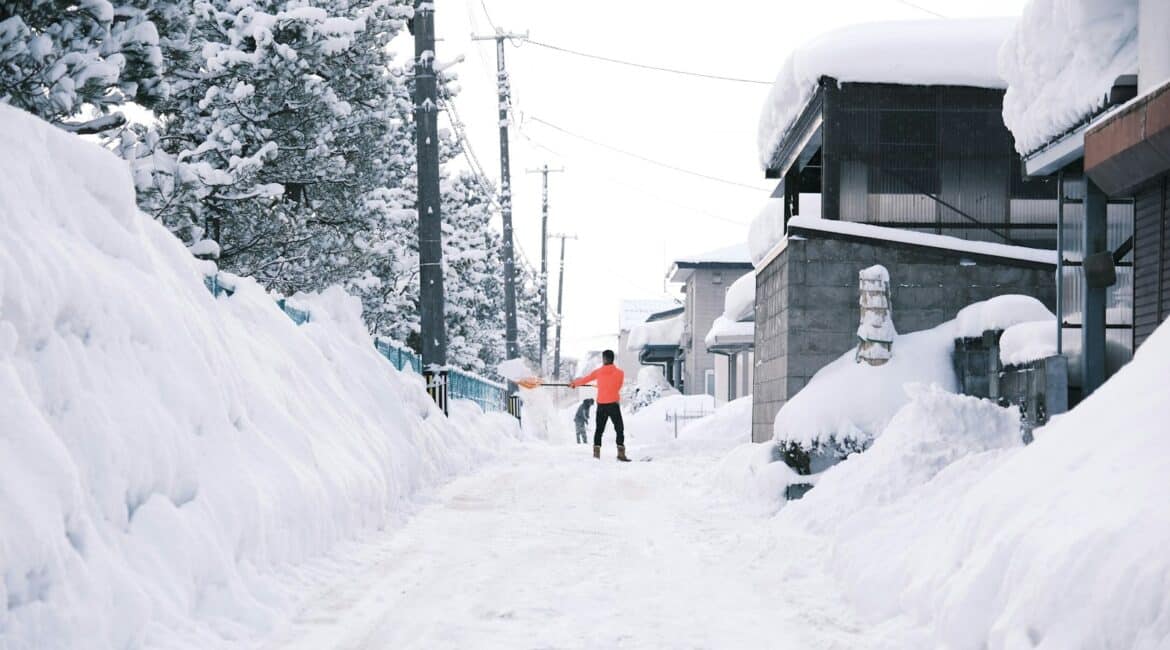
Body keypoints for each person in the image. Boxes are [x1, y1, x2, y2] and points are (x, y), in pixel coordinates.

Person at [569, 350, 630, 462]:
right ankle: (621, 454)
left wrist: (574, 384)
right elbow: (618, 387)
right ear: (612, 359)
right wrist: (608, 387)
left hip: (601, 405)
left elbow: (585, 380)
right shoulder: (620, 373)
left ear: (604, 359)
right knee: (619, 429)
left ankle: (596, 455)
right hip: (613, 405)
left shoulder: (598, 372)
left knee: (599, 430)